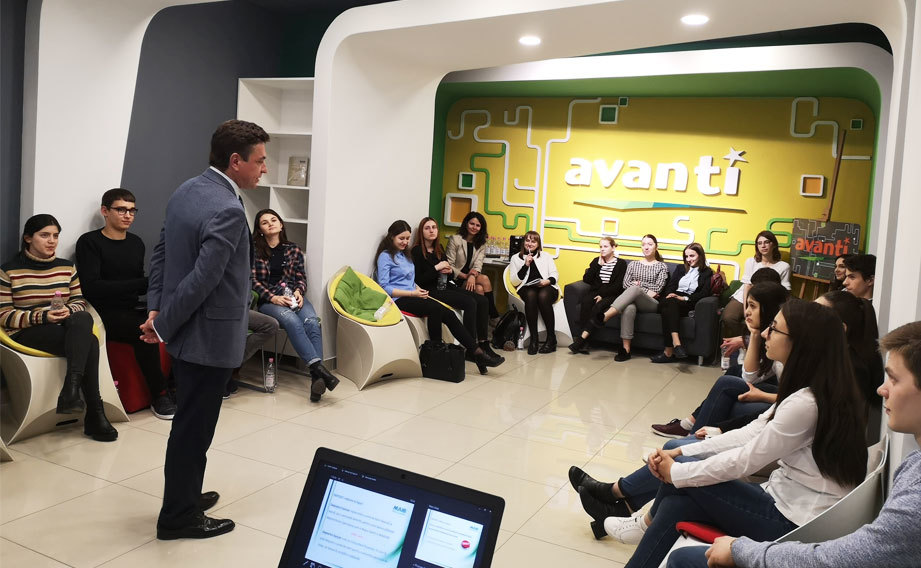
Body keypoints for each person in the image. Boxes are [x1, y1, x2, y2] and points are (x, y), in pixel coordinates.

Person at [572, 300, 868, 568]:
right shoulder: (812, 389)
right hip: (783, 502)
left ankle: (639, 521)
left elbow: (745, 461)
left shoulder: (806, 403)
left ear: (800, 343)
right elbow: (750, 433)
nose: (766, 333)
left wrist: (677, 471)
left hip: (791, 523)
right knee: (677, 502)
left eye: (774, 329)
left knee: (683, 477)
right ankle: (639, 523)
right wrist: (682, 451)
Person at [666, 320, 921, 568]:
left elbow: (851, 556)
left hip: (796, 518)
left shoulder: (812, 399)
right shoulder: (913, 461)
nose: (882, 390)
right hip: (787, 499)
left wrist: (741, 551)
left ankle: (643, 500)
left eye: (894, 379)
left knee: (679, 474)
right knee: (679, 494)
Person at [141, 119, 269, 540]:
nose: (263, 168)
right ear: (235, 161)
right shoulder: (228, 209)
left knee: (189, 426)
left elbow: (162, 252)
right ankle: (178, 517)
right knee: (194, 431)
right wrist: (162, 326)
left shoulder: (187, 190)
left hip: (185, 332)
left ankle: (185, 496)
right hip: (207, 337)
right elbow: (203, 279)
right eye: (259, 161)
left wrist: (157, 309)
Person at [0, 214, 118, 442]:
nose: (52, 241)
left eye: (55, 236)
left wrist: (67, 311)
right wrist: (43, 316)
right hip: (28, 331)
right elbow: (3, 315)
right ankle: (93, 410)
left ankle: (71, 392)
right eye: (44, 235)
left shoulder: (67, 267)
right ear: (28, 238)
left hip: (66, 326)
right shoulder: (9, 271)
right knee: (90, 342)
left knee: (82, 317)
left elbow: (79, 301)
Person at [75, 188, 177, 420]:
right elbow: (92, 288)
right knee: (143, 330)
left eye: (132, 210)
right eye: (121, 210)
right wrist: (142, 283)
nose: (128, 215)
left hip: (132, 307)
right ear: (105, 211)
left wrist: (154, 286)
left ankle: (174, 385)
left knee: (173, 321)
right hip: (102, 313)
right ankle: (160, 395)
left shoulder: (136, 243)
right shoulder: (90, 242)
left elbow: (138, 286)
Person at [651, 281, 788, 438]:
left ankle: (692, 436)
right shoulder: (769, 336)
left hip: (786, 395)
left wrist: (762, 395)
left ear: (768, 309)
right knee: (734, 371)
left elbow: (799, 397)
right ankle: (691, 425)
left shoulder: (784, 344)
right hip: (782, 389)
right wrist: (753, 335)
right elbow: (751, 375)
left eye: (752, 306)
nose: (747, 312)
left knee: (726, 383)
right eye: (747, 305)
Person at [375, 220, 491, 373]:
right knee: (436, 309)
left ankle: (476, 352)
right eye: (401, 238)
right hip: (398, 299)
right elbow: (384, 287)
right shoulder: (385, 256)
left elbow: (410, 280)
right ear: (391, 237)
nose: (405, 242)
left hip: (414, 294)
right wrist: (413, 293)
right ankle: (436, 356)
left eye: (407, 238)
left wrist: (418, 290)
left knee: (448, 313)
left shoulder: (405, 255)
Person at [251, 208, 339, 402]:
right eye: (265, 222)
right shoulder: (254, 251)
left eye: (274, 220)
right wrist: (273, 298)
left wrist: (299, 291)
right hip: (269, 302)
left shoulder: (293, 249)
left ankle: (317, 379)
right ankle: (318, 370)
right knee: (292, 320)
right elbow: (252, 281)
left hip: (292, 296)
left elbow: (301, 277)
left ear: (281, 224)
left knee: (312, 322)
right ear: (260, 230)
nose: (270, 224)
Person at [410, 216, 503, 366]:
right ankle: (472, 348)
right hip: (432, 290)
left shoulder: (438, 248)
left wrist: (448, 271)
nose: (431, 231)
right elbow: (419, 280)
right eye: (427, 228)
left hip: (447, 285)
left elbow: (449, 272)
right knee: (470, 302)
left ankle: (484, 343)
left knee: (482, 300)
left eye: (434, 227)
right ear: (421, 232)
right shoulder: (417, 251)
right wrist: (437, 268)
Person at [582, 234, 669, 362]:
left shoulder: (662, 266)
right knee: (628, 308)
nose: (646, 247)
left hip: (650, 303)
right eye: (643, 244)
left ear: (656, 247)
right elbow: (625, 284)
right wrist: (642, 288)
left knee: (635, 289)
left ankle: (606, 316)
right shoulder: (633, 264)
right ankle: (626, 350)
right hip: (632, 300)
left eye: (650, 244)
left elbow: (657, 289)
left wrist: (639, 286)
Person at [720, 231, 791, 339]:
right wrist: (746, 308)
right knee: (728, 317)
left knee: (764, 322)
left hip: (767, 300)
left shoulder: (784, 266)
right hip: (745, 296)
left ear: (774, 244)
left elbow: (785, 291)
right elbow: (747, 286)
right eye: (759, 243)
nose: (763, 246)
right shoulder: (751, 262)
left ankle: (751, 342)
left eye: (766, 242)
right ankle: (743, 341)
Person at [651, 242, 714, 362]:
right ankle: (677, 344)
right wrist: (671, 294)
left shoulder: (707, 272)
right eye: (686, 256)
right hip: (671, 298)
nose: (688, 259)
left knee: (667, 311)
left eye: (692, 256)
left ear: (700, 255)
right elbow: (670, 286)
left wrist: (684, 298)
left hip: (687, 302)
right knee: (670, 303)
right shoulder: (680, 268)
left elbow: (704, 293)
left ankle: (668, 352)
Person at [568, 236, 627, 355]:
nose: (602, 249)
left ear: (613, 248)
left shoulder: (621, 263)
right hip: (596, 291)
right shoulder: (596, 261)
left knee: (598, 306)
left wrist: (602, 295)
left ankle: (582, 340)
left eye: (605, 246)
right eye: (600, 247)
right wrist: (598, 266)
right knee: (586, 302)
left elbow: (618, 286)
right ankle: (584, 342)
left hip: (612, 293)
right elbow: (587, 279)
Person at [508, 230, 561, 354]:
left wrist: (547, 281)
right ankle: (534, 339)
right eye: (527, 240)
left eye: (533, 241)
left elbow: (555, 274)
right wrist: (526, 265)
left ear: (538, 244)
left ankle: (551, 339)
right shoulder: (516, 258)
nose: (530, 243)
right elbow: (514, 281)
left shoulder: (546, 256)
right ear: (523, 242)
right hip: (527, 288)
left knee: (543, 296)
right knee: (531, 295)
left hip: (546, 286)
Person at [445, 211, 499, 320]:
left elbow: (478, 264)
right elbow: (449, 265)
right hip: (455, 279)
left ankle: (481, 322)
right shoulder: (455, 240)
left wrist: (472, 276)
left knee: (479, 288)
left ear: (481, 228)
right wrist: (466, 276)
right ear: (466, 223)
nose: (474, 227)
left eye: (478, 225)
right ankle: (493, 316)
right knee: (484, 279)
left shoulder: (481, 244)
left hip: (471, 279)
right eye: (472, 224)